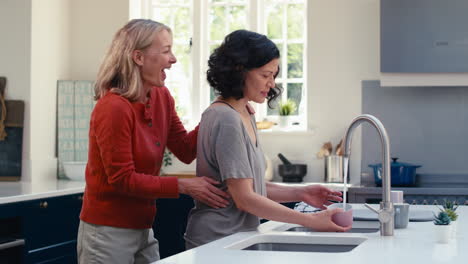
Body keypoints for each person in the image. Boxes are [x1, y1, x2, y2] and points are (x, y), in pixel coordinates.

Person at [77, 19, 230, 264]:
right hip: (106, 233)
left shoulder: (161, 96)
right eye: (166, 50)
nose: (174, 59)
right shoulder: (114, 108)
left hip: (143, 227)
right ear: (138, 57)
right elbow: (122, 179)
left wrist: (223, 107)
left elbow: (185, 149)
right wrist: (183, 185)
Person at [184, 29, 351, 249]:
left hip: (236, 237)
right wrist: (310, 220)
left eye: (274, 75)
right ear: (239, 71)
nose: (271, 83)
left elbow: (251, 188)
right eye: (265, 75)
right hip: (216, 240)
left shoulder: (244, 113)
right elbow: (245, 199)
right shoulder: (225, 118)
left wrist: (302, 192)